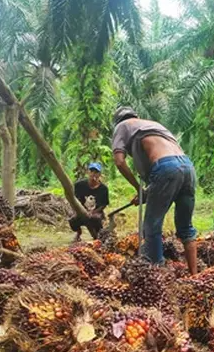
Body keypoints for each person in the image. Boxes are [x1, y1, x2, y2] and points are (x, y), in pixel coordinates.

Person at [111, 106, 198, 274]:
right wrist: (147, 192)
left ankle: (157, 276)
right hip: (187, 167)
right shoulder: (152, 125)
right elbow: (171, 163)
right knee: (186, 227)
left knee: (151, 225)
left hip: (165, 168)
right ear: (135, 116)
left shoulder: (122, 126)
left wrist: (139, 188)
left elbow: (120, 161)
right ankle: (195, 276)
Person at [70, 162, 110, 241]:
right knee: (72, 219)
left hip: (96, 211)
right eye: (91, 171)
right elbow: (75, 199)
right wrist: (78, 210)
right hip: (81, 210)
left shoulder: (103, 188)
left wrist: (94, 212)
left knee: (96, 219)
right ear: (88, 172)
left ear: (99, 174)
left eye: (96, 172)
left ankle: (97, 233)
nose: (93, 174)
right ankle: (78, 232)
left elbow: (104, 204)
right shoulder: (79, 185)